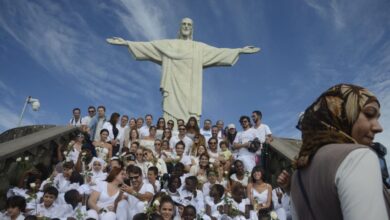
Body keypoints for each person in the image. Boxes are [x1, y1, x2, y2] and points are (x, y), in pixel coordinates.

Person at [107, 17, 259, 122]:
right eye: (184, 24)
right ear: (180, 27)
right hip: (172, 87)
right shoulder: (169, 44)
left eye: (189, 25)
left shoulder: (198, 48)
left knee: (189, 115)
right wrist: (127, 43)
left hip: (190, 90)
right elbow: (149, 46)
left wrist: (239, 51)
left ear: (192, 29)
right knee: (170, 114)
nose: (186, 27)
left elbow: (218, 52)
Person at [290, 84, 388, 219]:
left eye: (377, 118)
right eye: (369, 114)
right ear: (340, 113)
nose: (379, 127)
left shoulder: (297, 176)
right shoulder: (358, 157)